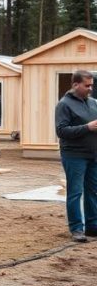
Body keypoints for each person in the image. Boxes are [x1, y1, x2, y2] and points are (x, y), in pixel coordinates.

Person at [55, 69, 97, 243]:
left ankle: (93, 227)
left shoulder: (94, 103)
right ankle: (77, 229)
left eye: (92, 85)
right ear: (75, 85)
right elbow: (61, 131)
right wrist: (87, 127)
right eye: (87, 86)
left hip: (93, 155)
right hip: (74, 155)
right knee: (75, 192)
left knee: (93, 191)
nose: (90, 89)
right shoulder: (64, 104)